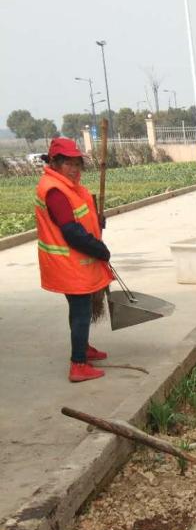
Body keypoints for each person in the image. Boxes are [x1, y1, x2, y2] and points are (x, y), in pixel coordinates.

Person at [35, 137, 113, 382]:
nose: (73, 168)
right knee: (81, 311)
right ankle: (78, 364)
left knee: (79, 309)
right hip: (69, 263)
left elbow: (80, 218)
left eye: (77, 163)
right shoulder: (55, 190)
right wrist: (99, 249)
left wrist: (97, 222)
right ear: (55, 163)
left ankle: (83, 347)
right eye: (67, 163)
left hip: (75, 262)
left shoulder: (68, 186)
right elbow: (71, 231)